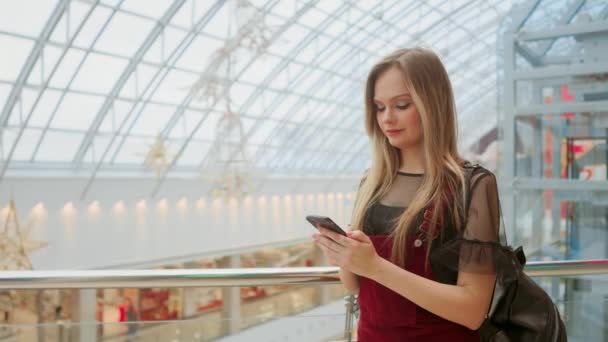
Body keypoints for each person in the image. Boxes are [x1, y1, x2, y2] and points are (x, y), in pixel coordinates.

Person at [312, 48, 507, 341]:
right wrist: (344, 256)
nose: (387, 118)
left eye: (401, 104)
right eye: (379, 107)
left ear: (432, 104)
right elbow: (356, 287)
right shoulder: (373, 182)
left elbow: (472, 310)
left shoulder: (472, 185)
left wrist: (375, 266)